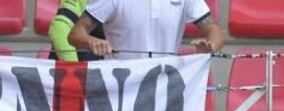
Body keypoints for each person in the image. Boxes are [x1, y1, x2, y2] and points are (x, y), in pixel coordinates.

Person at [69, 0, 225, 59]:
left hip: (165, 86)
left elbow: (214, 29)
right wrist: (92, 41)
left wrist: (211, 46)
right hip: (120, 87)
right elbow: (75, 34)